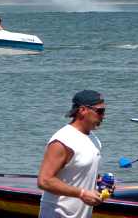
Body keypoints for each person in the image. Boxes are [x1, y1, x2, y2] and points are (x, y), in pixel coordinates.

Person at [37, 90, 107, 218]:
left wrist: (101, 183)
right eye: (100, 111)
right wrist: (82, 193)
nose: (103, 116)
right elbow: (44, 181)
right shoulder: (63, 140)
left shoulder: (94, 139)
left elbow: (79, 172)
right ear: (82, 110)